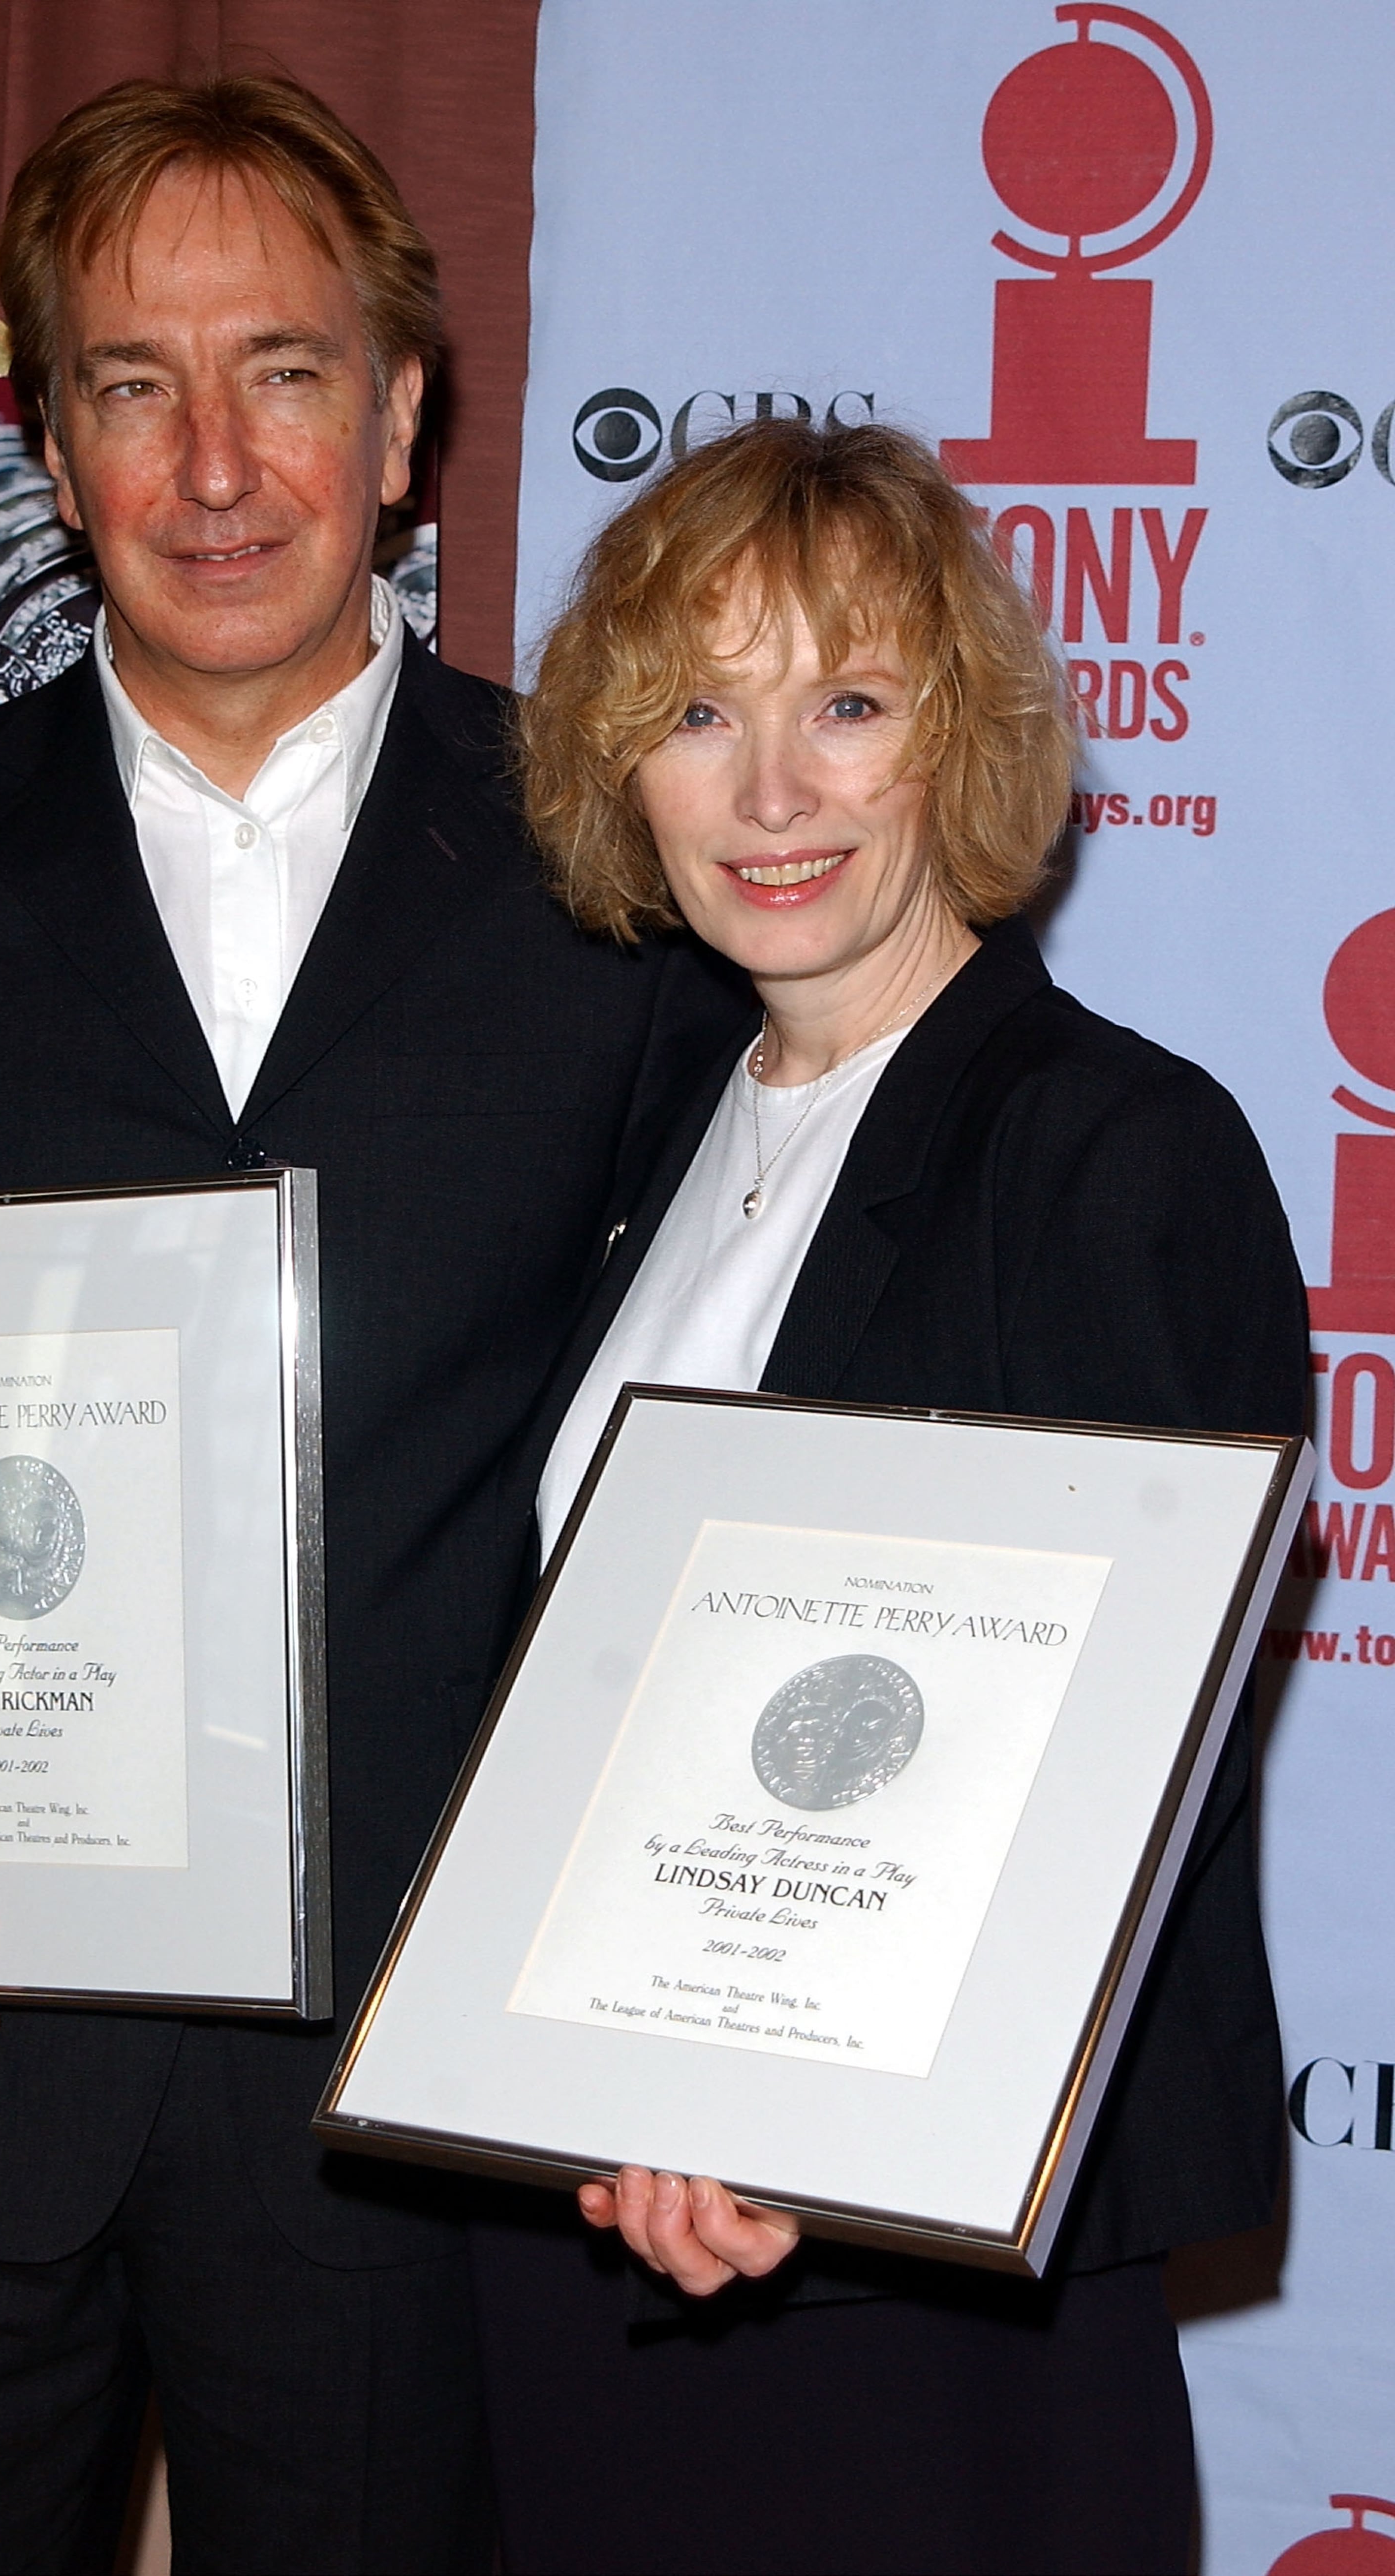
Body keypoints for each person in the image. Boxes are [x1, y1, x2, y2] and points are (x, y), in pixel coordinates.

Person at [0, 75, 750, 2576]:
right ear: (53, 440)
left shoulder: (612, 881)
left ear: (404, 422)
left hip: (412, 2119)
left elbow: (709, 1469)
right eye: (130, 382)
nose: (214, 462)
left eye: (285, 371)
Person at [471, 415, 1306, 2576]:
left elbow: (1129, 1760)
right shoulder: (667, 1119)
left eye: (848, 706)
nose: (770, 793)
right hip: (598, 2219)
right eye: (696, 712)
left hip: (912, 2287)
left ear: (964, 738)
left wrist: (799, 2133)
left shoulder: (1117, 1149)